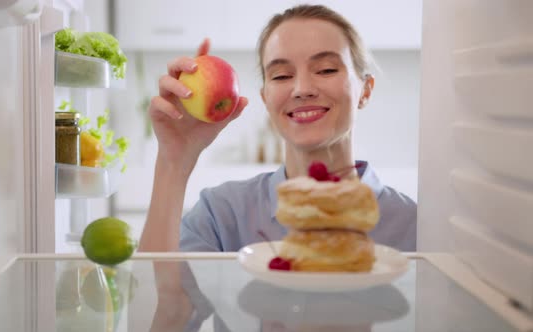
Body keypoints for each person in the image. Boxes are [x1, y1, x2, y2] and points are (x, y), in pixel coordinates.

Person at [139, 4, 417, 254]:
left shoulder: (413, 225)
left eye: (326, 70)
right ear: (265, 98)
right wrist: (173, 161)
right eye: (281, 75)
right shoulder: (223, 214)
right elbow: (159, 310)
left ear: (365, 91)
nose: (302, 89)